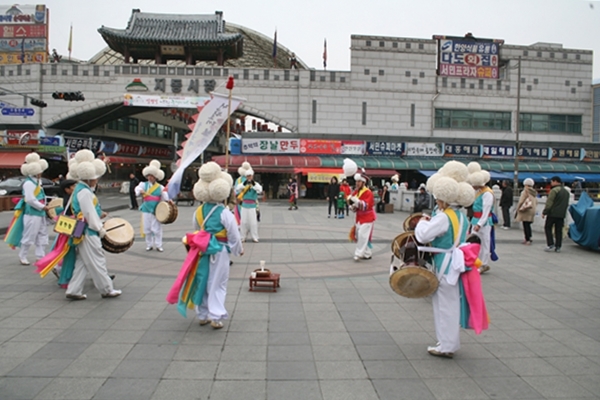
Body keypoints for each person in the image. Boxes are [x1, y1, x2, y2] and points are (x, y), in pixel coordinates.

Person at [166, 162, 243, 328]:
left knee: (202, 279)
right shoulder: (224, 212)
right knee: (218, 283)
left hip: (201, 250)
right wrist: (238, 250)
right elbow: (234, 234)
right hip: (220, 250)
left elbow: (197, 230)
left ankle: (202, 314)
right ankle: (215, 316)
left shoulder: (198, 212)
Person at [415, 172, 471, 359]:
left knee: (444, 306)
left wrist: (422, 223)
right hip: (454, 263)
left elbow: (423, 236)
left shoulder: (444, 217)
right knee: (450, 304)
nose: (437, 202)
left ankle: (446, 345)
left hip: (445, 263)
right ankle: (447, 342)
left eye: (438, 199)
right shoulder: (462, 216)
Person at [64, 150, 121, 300]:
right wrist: (100, 228)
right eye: (95, 178)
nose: (97, 180)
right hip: (88, 230)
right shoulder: (85, 192)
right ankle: (107, 289)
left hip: (81, 229)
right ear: (89, 179)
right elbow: (89, 214)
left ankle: (74, 289)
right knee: (98, 260)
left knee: (83, 261)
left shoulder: (81, 189)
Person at [5, 153, 50, 265]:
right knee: (29, 235)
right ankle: (23, 256)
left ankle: (40, 256)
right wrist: (42, 206)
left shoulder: (37, 182)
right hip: (32, 213)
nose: (41, 173)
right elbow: (30, 199)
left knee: (42, 234)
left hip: (40, 213)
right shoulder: (29, 183)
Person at [135, 160, 169, 252]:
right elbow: (137, 189)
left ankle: (159, 245)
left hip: (156, 210)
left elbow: (165, 197)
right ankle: (149, 244)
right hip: (146, 209)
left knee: (156, 228)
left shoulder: (160, 187)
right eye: (148, 176)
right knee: (147, 228)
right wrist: (140, 191)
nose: (150, 178)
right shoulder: (143, 184)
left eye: (152, 176)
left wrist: (168, 200)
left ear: (156, 177)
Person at [468, 164, 494, 274]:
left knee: (484, 243)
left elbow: (486, 211)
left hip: (483, 222)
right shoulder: (479, 192)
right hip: (475, 219)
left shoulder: (487, 194)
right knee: (474, 242)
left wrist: (480, 224)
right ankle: (476, 261)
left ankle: (483, 263)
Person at [347, 169, 376, 261]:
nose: (357, 183)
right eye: (356, 181)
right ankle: (367, 253)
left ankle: (358, 253)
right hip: (359, 217)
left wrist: (356, 201)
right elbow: (355, 205)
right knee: (361, 235)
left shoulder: (368, 192)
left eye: (359, 181)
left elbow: (365, 206)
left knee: (362, 235)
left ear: (363, 182)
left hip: (367, 217)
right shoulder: (356, 192)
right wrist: (352, 206)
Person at [542, 176, 569, 253]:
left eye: (551, 181)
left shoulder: (554, 190)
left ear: (555, 181)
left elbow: (549, 202)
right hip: (561, 214)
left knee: (548, 227)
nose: (551, 183)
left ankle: (550, 244)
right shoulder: (566, 192)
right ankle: (558, 246)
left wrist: (545, 212)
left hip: (553, 213)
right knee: (559, 230)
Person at [235, 169, 263, 242]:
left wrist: (253, 183)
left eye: (250, 176)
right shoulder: (243, 184)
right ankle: (242, 237)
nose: (249, 177)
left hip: (252, 205)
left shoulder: (255, 184)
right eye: (247, 176)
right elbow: (237, 188)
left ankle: (255, 237)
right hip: (244, 205)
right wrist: (244, 184)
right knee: (243, 222)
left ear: (252, 176)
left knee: (253, 222)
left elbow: (259, 190)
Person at [515, 178, 538, 245]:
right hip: (532, 209)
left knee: (525, 225)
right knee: (528, 224)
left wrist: (518, 208)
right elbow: (536, 201)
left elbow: (521, 201)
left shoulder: (525, 191)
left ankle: (527, 238)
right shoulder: (534, 192)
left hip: (526, 210)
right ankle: (529, 237)